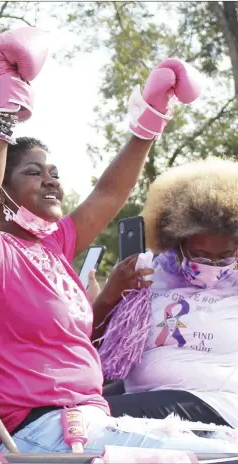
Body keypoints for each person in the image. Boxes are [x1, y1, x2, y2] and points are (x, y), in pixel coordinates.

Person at [0, 26, 233, 454]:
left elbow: (108, 194)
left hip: (85, 421)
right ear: (1, 192)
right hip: (39, 430)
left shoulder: (53, 246)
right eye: (33, 172)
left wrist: (151, 120)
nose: (51, 180)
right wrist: (4, 107)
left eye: (55, 173)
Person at [94, 157, 238, 430]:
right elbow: (94, 347)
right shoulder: (145, 274)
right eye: (200, 255)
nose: (212, 265)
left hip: (218, 405)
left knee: (83, 416)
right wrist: (110, 295)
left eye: (224, 257)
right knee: (70, 409)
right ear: (176, 241)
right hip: (143, 396)